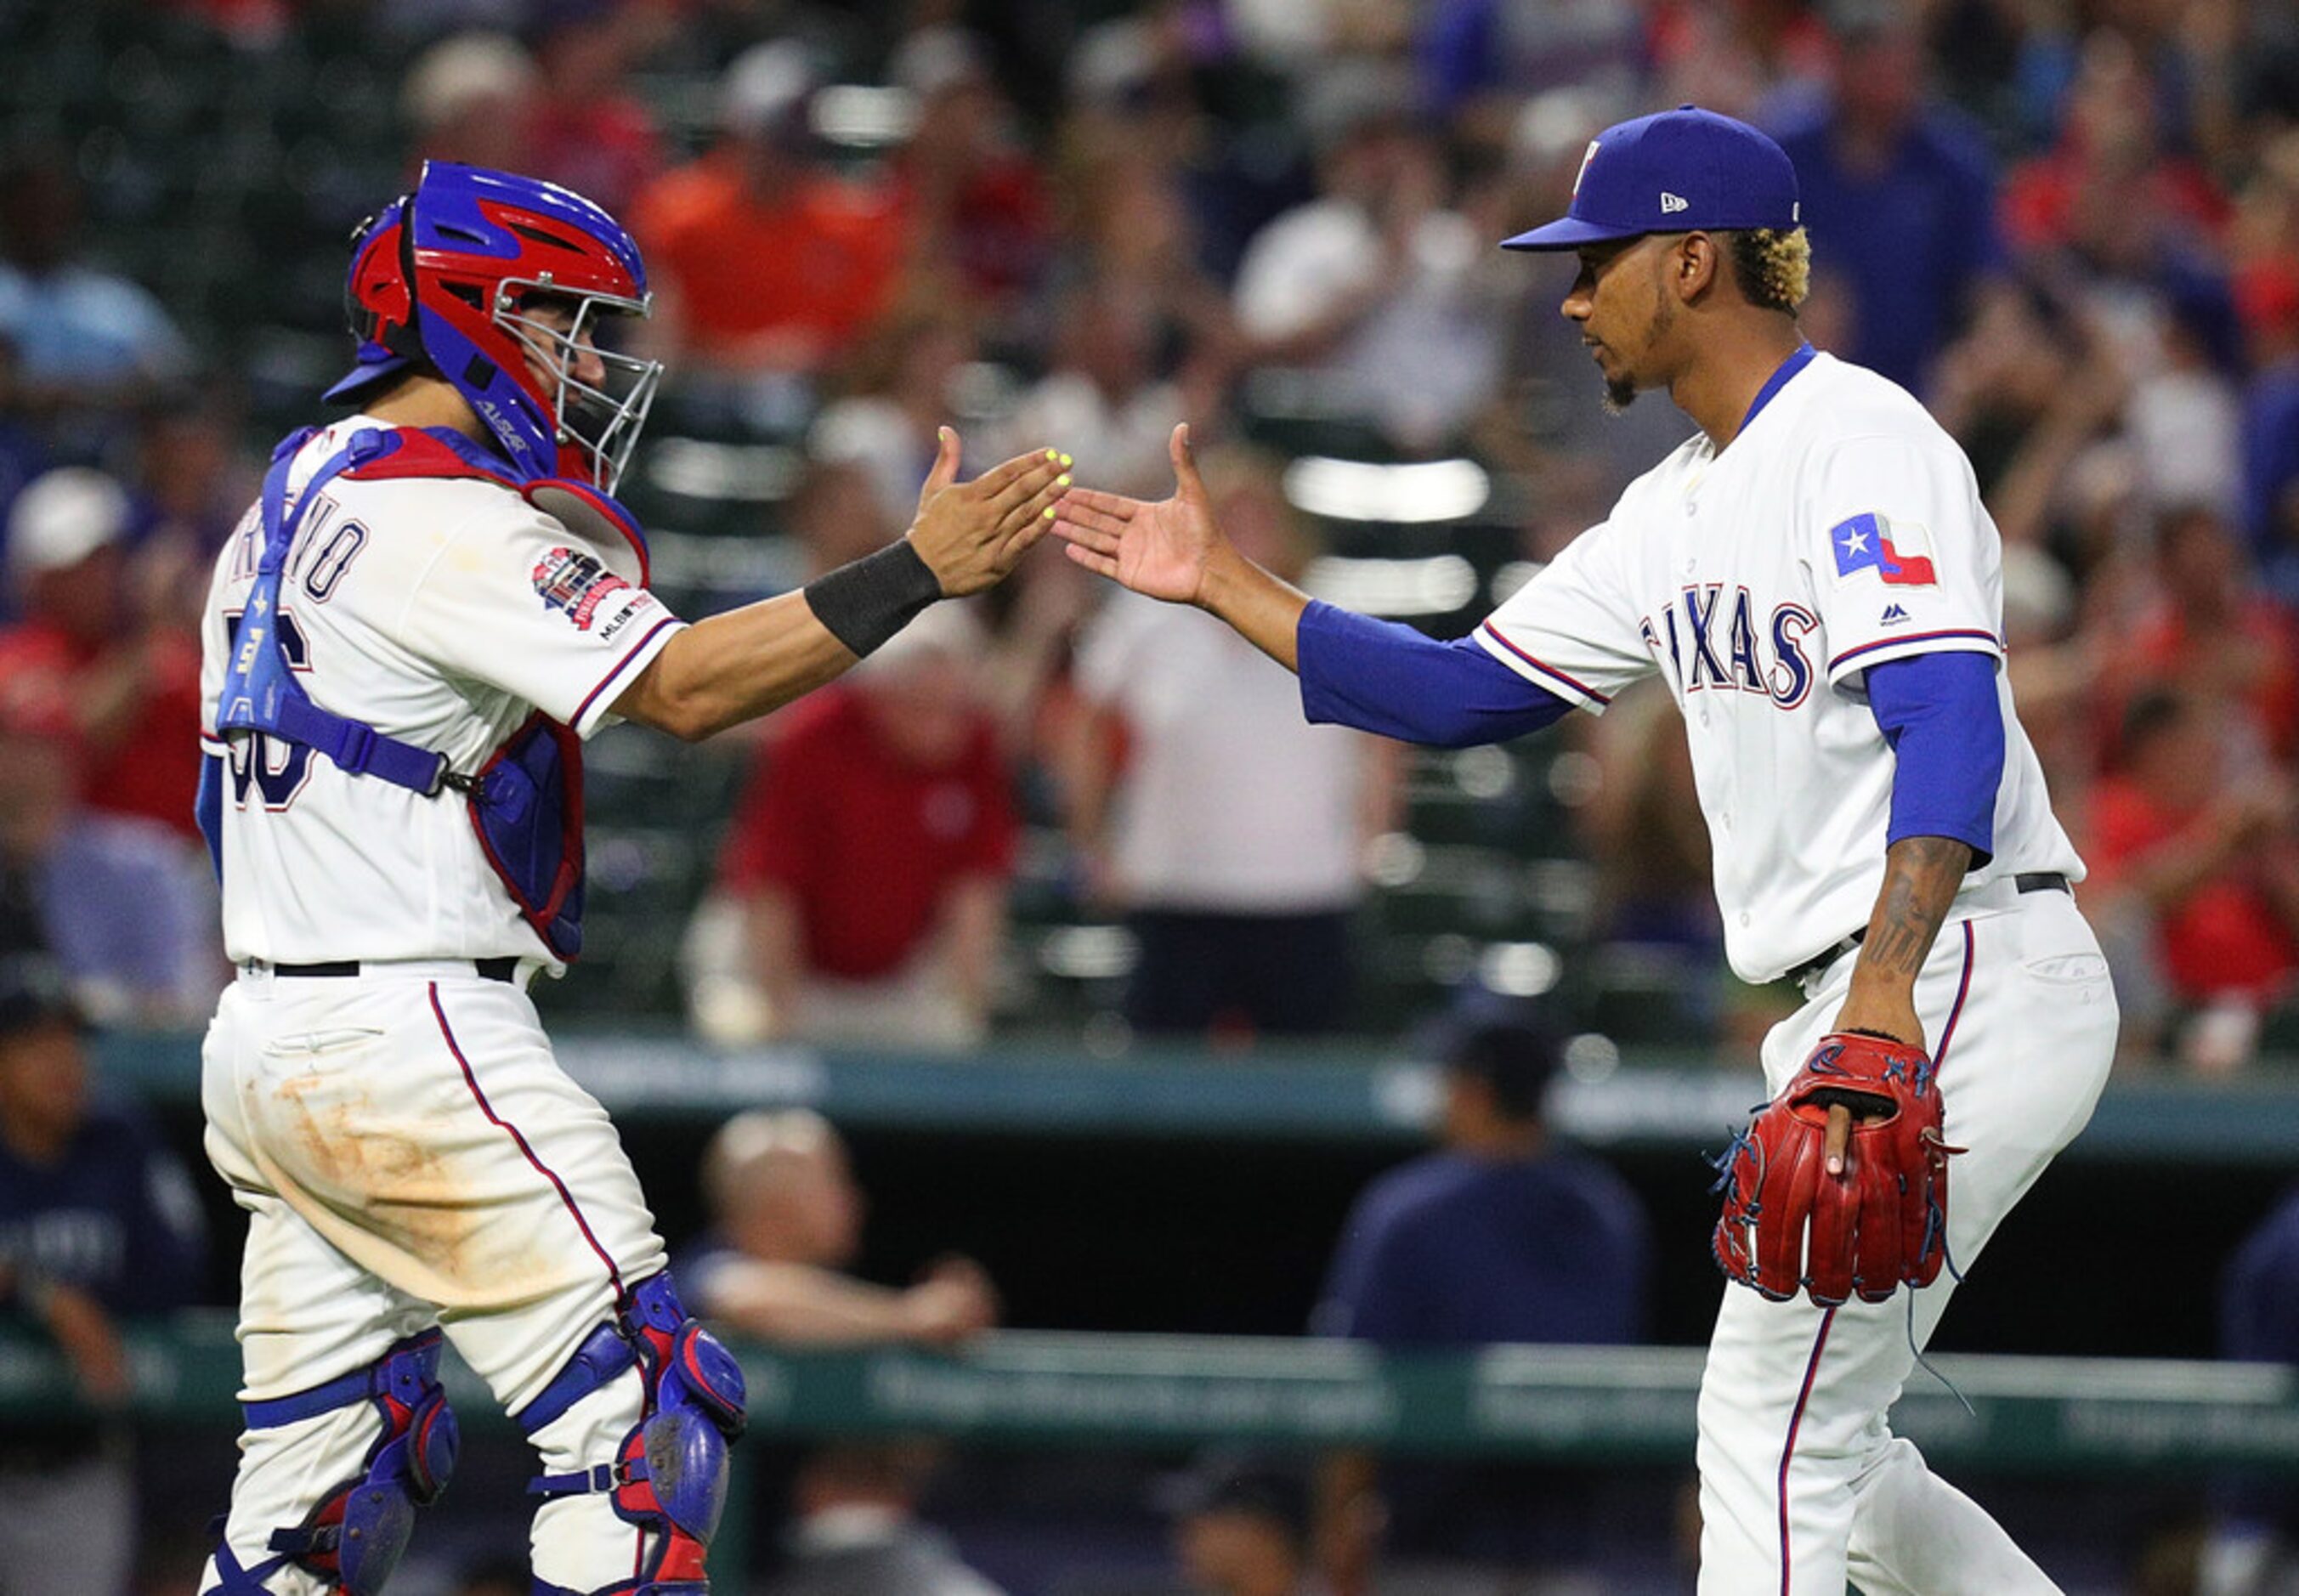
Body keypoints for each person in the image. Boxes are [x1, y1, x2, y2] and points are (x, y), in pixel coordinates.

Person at [1055, 105, 2119, 1592]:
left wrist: (1884, 993)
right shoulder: (1666, 510)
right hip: (1878, 991)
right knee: (1842, 1453)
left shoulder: (1862, 438)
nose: (1568, 298)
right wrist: (1229, 582)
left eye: (1595, 261)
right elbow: (1456, 693)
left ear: (1692, 262)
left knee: (1764, 1424)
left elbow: (1950, 710)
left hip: (1950, 966)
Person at [191, 161, 1064, 1593]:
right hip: (410, 1030)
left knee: (311, 1506)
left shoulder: (283, 499)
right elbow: (685, 685)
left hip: (268, 1035)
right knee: (644, 1421)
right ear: (476, 311)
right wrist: (912, 568)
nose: (589, 363)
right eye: (565, 324)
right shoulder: (439, 517)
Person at [1311, 999, 1649, 1589]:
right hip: (1568, 1552)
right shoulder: (1606, 1211)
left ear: (1472, 1089)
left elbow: (1353, 1389)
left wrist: (1337, 1525)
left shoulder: (1407, 1210)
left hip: (1431, 1552)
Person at [1067, 447, 1397, 1042]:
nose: (1244, 531)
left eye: (1259, 516)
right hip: (1173, 890)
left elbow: (1385, 737)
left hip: (1305, 893)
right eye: (1229, 516)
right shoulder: (1142, 619)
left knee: (1303, 1088)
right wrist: (1092, 842)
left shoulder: (1333, 620)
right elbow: (1085, 729)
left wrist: (1372, 839)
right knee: (1163, 1086)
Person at [700, 602, 1018, 1051]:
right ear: (877, 697)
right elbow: (772, 889)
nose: (941, 729)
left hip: (901, 974)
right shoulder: (813, 737)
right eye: (923, 708)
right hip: (774, 958)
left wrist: (967, 1008)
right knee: (754, 1047)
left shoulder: (975, 742)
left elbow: (976, 889)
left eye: (953, 708)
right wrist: (782, 1024)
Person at [0, 954, 210, 1593]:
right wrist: (46, 1295)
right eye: (33, 1046)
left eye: (70, 1042)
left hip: (75, 1462)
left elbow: (178, 1272)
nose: (62, 1063)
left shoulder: (118, 1136)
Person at [679, 1108, 998, 1348]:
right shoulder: (703, 1266)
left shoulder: (823, 1301)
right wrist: (912, 1316)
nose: (856, 1202)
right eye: (837, 1185)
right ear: (781, 1206)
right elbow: (749, 1298)